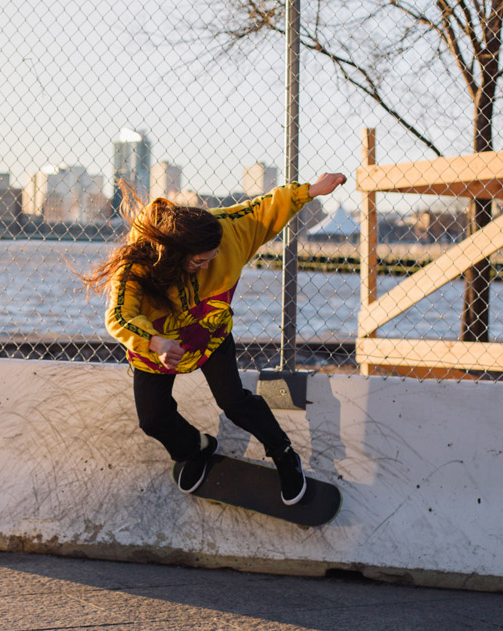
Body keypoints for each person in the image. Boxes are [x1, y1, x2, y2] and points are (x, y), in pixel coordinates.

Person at [85, 173, 347, 503]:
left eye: (213, 257)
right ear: (173, 253)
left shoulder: (221, 232)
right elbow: (119, 316)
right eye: (200, 261)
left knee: (234, 402)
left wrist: (309, 192)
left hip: (209, 333)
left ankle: (283, 453)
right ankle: (198, 448)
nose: (209, 264)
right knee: (153, 419)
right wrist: (157, 343)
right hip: (157, 346)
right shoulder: (138, 263)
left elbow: (262, 209)